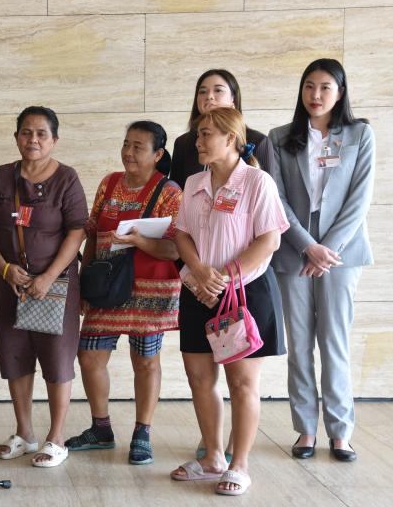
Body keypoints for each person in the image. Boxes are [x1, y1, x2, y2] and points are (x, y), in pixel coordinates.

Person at [170, 108, 288, 496]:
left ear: (231, 138)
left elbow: (269, 240)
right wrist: (200, 272)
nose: (198, 142)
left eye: (206, 135)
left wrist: (223, 279)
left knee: (242, 383)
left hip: (245, 293)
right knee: (200, 378)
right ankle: (212, 458)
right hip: (198, 290)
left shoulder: (257, 181)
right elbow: (181, 234)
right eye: (198, 135)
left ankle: (239, 465)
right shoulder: (193, 182)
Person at [268, 59, 374, 463]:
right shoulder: (280, 138)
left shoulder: (360, 134)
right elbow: (276, 198)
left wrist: (326, 249)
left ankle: (340, 432)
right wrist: (306, 246)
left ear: (340, 93)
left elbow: (360, 198)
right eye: (309, 86)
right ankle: (306, 429)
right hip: (294, 248)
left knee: (334, 341)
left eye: (325, 87)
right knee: (299, 343)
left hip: (341, 251)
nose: (316, 95)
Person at [65, 121, 182, 466]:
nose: (129, 153)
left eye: (138, 147)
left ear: (158, 154)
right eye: (126, 144)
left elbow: (175, 249)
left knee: (145, 361)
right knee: (89, 355)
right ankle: (101, 429)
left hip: (150, 289)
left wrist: (140, 241)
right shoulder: (109, 182)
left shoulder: (169, 192)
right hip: (106, 286)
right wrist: (84, 281)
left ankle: (142, 433)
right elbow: (91, 233)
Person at [0, 107, 87, 468]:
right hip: (10, 284)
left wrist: (48, 277)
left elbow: (76, 231)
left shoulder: (67, 178)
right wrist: (4, 268)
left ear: (54, 140)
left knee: (57, 357)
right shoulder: (0, 177)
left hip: (55, 286)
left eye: (42, 133)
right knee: (15, 354)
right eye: (26, 132)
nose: (33, 139)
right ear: (16, 137)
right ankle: (24, 433)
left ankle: (56, 438)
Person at [170, 69, 274, 189]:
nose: (209, 96)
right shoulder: (183, 143)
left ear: (233, 98)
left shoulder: (259, 141)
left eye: (218, 90)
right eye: (202, 92)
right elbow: (176, 194)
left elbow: (268, 193)